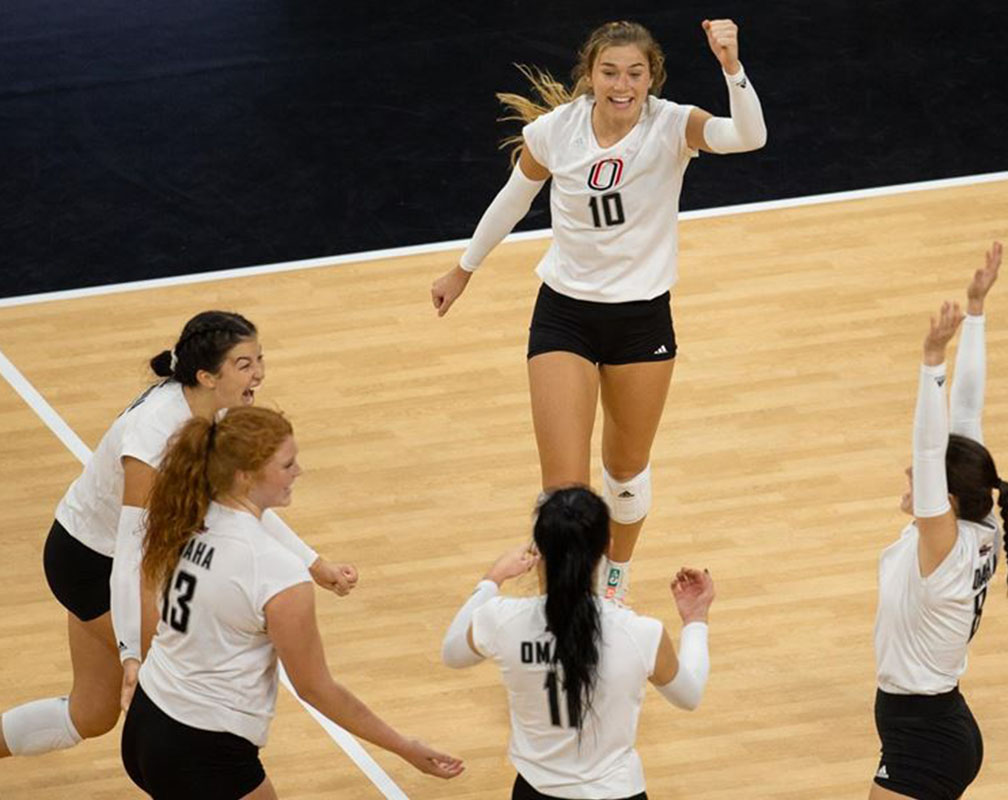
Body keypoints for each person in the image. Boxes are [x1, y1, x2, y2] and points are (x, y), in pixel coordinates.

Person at [0, 311, 358, 799]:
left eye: (259, 359)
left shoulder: (215, 415)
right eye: (244, 364)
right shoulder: (153, 437)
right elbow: (132, 556)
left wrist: (313, 563)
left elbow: (242, 501)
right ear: (206, 375)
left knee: (89, 714)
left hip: (95, 556)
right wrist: (132, 653)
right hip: (92, 564)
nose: (259, 373)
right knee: (188, 706)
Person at [430, 19, 767, 602]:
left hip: (641, 322)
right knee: (564, 493)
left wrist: (731, 67)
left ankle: (614, 580)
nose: (622, 84)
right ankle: (558, 609)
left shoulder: (671, 125)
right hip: (565, 314)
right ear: (589, 75)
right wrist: (464, 268)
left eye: (635, 73)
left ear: (651, 77)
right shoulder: (556, 132)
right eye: (609, 71)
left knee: (627, 475)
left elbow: (749, 137)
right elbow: (514, 198)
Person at [122, 406, 462, 797]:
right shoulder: (276, 571)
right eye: (287, 465)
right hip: (204, 749)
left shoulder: (185, 518)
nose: (298, 472)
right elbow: (315, 688)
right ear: (245, 476)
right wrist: (405, 747)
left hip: (148, 720)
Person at [441, 486, 713, 799]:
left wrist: (492, 579)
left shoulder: (501, 619)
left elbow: (452, 652)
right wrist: (695, 620)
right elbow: (689, 696)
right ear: (607, 547)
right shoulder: (640, 633)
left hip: (534, 793)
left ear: (539, 548)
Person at [871, 242, 1008, 800]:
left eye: (921, 478)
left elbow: (933, 440)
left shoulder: (944, 545)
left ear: (947, 499)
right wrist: (976, 312)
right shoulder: (982, 526)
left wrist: (932, 358)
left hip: (926, 737)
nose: (910, 477)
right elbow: (967, 416)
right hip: (936, 725)